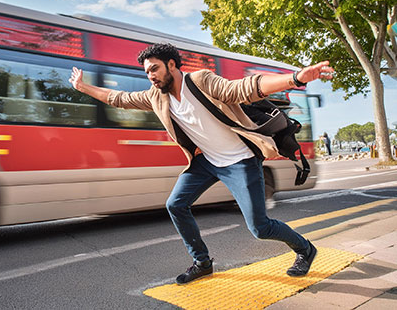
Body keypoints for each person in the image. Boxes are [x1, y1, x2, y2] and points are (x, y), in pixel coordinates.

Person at [69, 43, 334, 284]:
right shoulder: (156, 96)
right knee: (175, 204)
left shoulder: (201, 80)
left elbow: (240, 88)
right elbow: (120, 99)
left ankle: (305, 249)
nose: (150, 76)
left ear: (171, 65)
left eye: (154, 69)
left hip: (240, 160)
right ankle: (203, 262)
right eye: (147, 72)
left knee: (260, 228)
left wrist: (296, 78)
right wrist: (83, 88)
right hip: (206, 161)